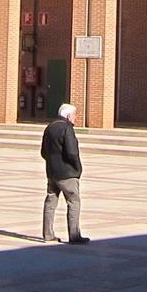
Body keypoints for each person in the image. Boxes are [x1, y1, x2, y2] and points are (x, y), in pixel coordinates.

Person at [40, 102, 89, 244]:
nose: (75, 118)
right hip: (67, 174)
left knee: (50, 202)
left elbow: (43, 152)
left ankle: (48, 234)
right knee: (74, 202)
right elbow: (72, 152)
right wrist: (77, 168)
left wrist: (52, 163)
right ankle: (74, 235)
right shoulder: (67, 129)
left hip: (52, 172)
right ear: (68, 116)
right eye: (74, 115)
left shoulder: (50, 128)